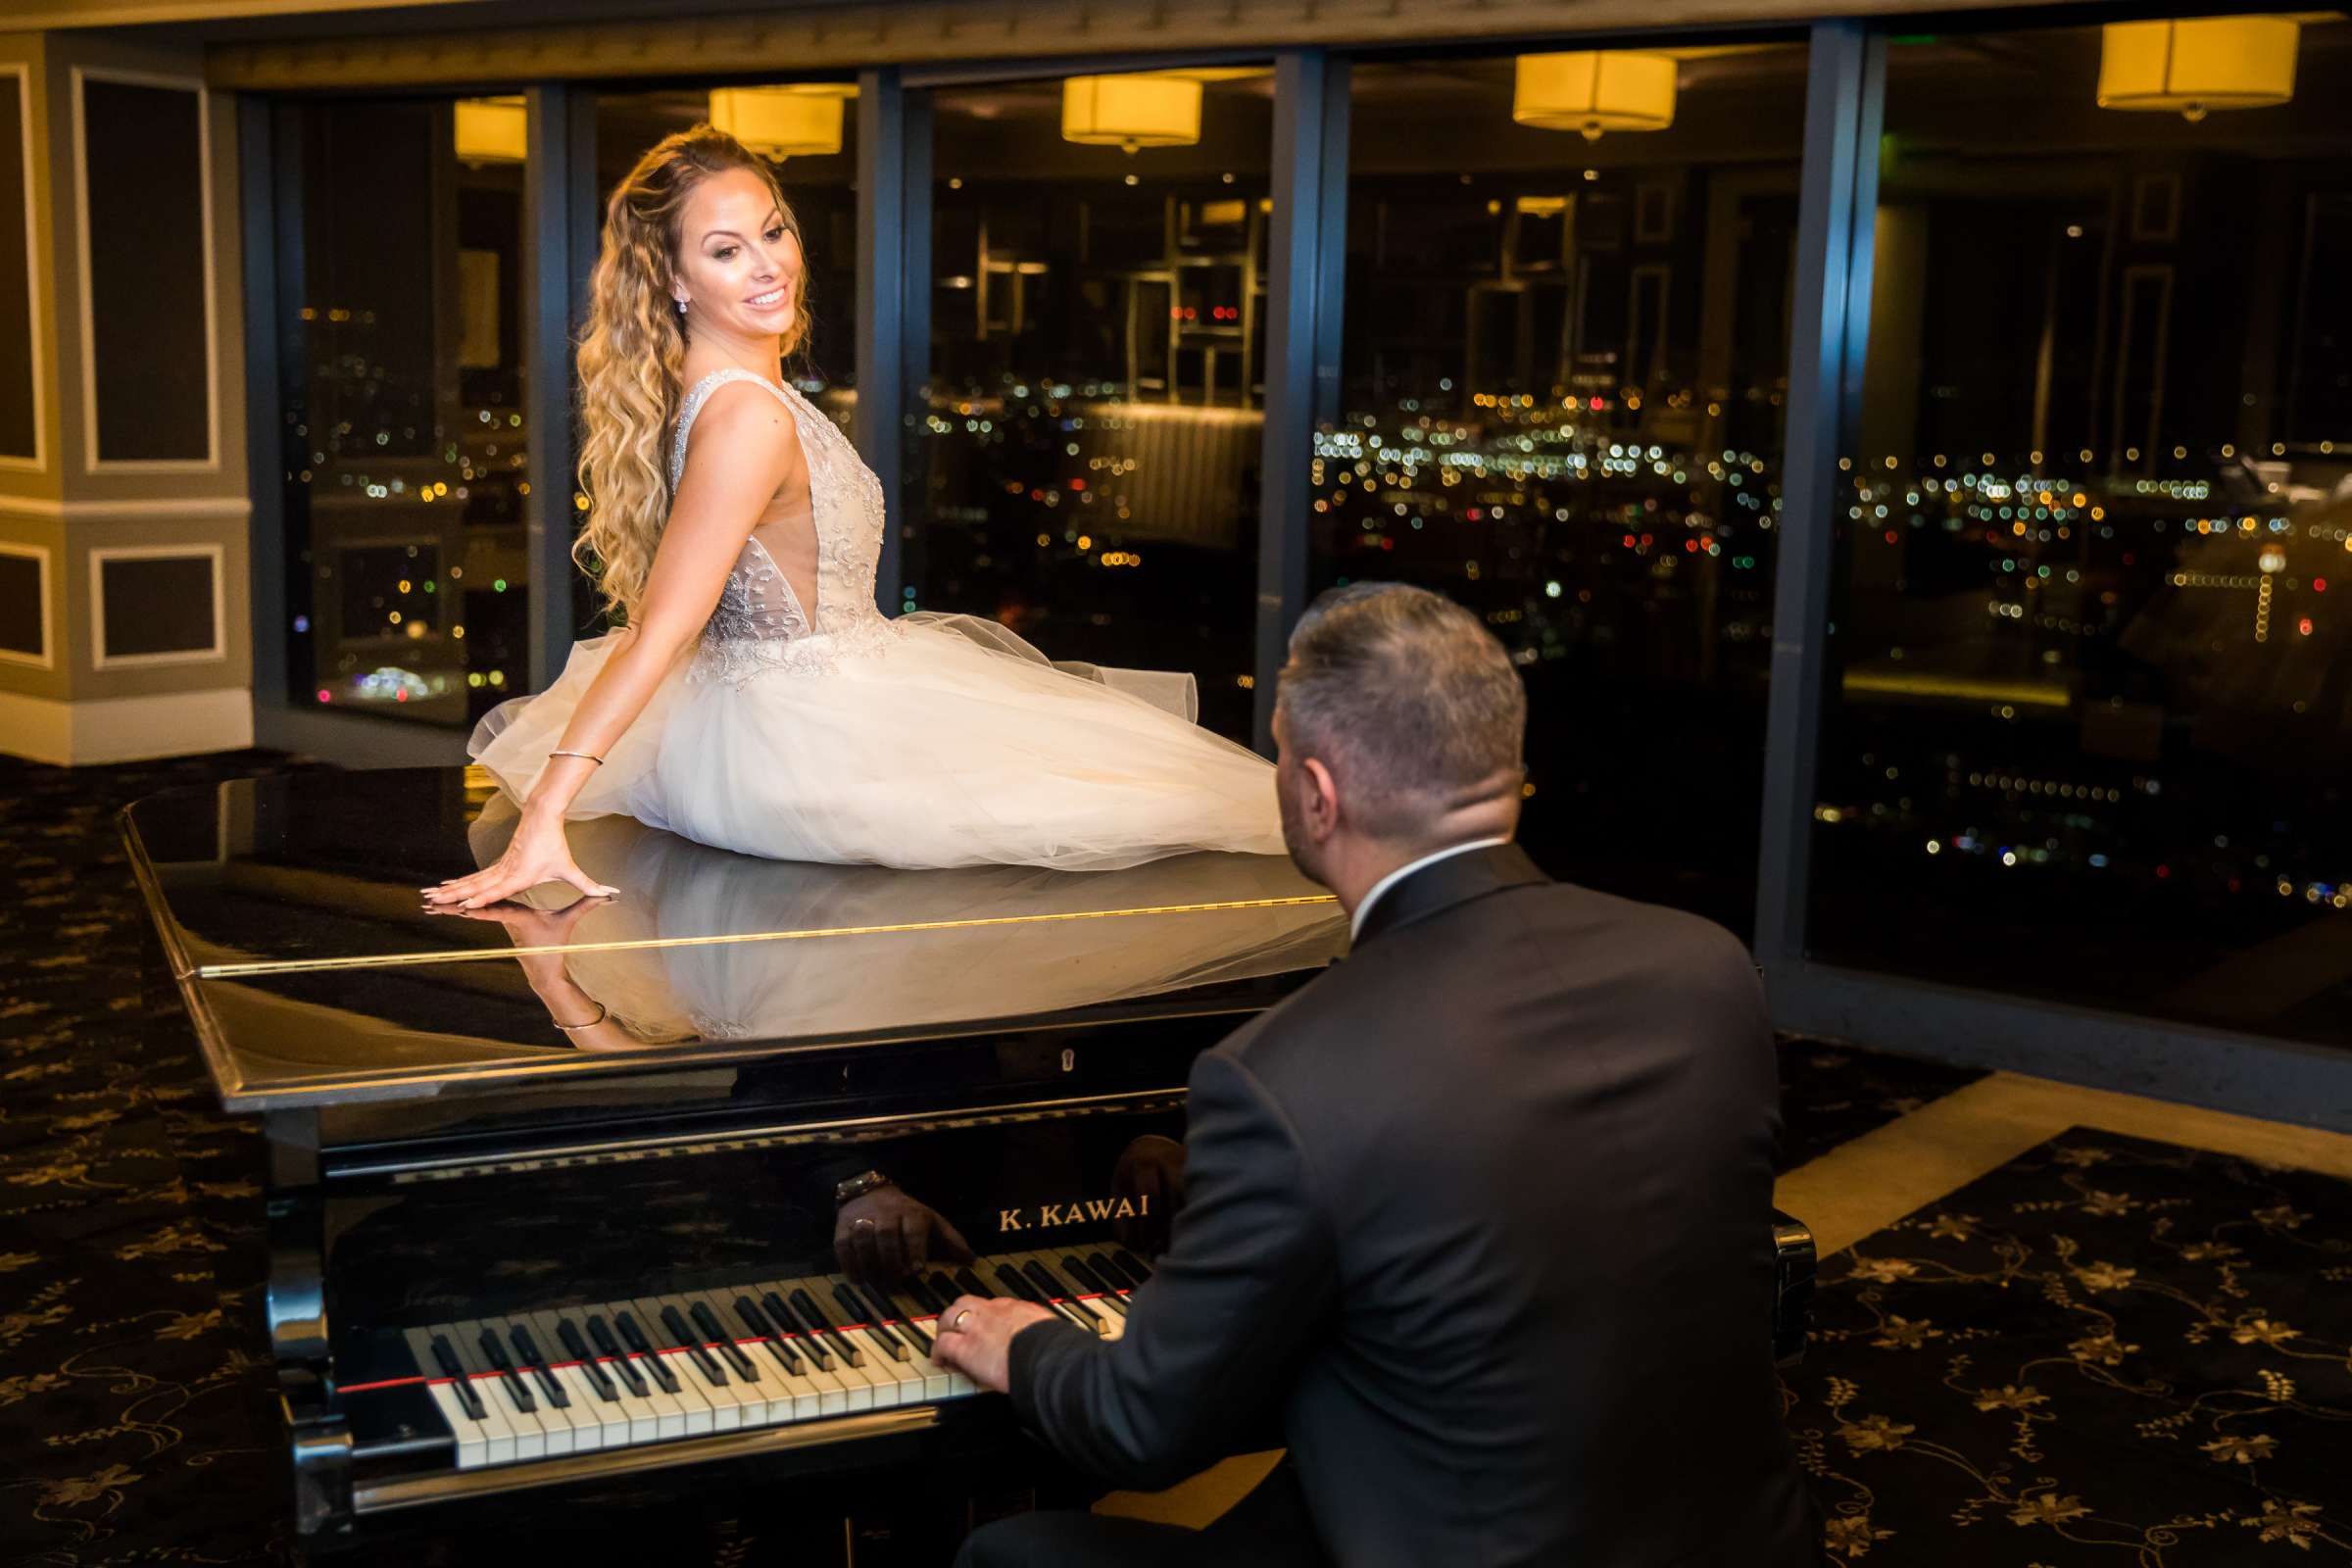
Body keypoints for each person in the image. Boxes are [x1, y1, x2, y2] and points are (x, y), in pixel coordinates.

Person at [931, 582, 1817, 1567]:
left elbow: (1143, 1429)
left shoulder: (1284, 1072)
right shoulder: (1706, 967)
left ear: (1317, 792)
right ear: (1508, 768)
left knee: (1010, 1557)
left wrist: (1024, 1342)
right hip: (1731, 1536)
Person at [423, 126, 1280, 913]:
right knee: (1173, 813)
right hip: (808, 742)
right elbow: (659, 634)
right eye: (726, 250)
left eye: (773, 231)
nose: (768, 265)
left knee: (1147, 795)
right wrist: (546, 816)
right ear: (676, 282)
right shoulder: (748, 419)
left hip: (803, 705)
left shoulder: (737, 398)